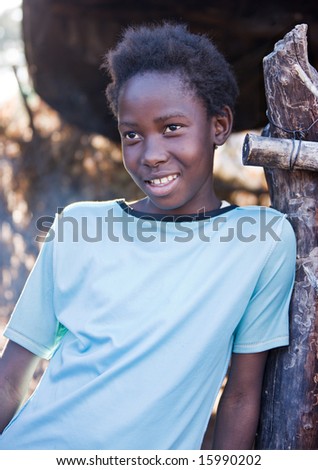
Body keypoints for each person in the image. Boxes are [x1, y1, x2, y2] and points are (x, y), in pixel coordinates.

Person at [0, 22, 296, 450]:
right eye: (132, 135)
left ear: (219, 125)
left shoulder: (262, 239)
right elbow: (12, 378)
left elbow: (240, 396)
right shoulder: (78, 227)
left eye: (172, 127)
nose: (151, 155)